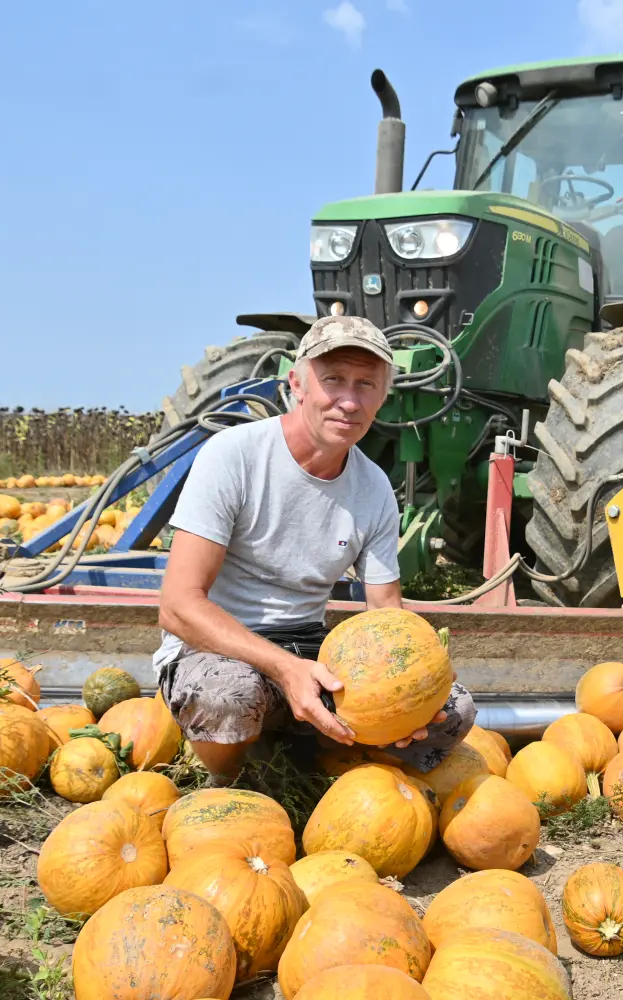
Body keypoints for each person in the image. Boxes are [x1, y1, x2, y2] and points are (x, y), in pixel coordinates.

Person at [153, 315, 476, 787]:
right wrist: (285, 670)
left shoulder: (374, 489)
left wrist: (409, 699)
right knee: (230, 695)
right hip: (217, 649)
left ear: (384, 394)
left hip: (310, 649)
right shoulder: (234, 456)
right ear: (298, 384)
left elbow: (388, 615)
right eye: (333, 380)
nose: (349, 400)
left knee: (454, 711)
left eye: (366, 383)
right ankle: (229, 784)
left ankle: (310, 758)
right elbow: (178, 607)